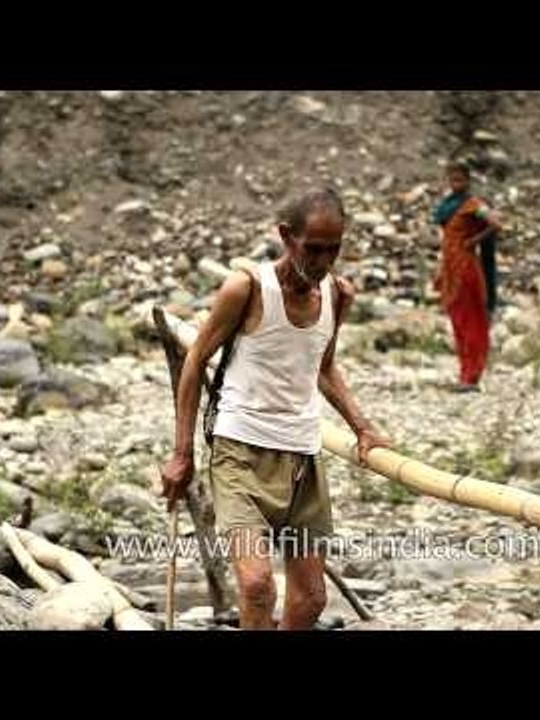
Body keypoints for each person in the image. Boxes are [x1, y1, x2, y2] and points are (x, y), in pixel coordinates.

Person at [157, 187, 390, 630]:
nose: (323, 262)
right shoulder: (247, 288)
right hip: (240, 455)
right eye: (313, 249)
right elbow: (195, 361)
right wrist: (182, 454)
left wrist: (363, 427)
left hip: (303, 459)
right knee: (259, 585)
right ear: (287, 237)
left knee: (311, 600)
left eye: (333, 250)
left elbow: (322, 366)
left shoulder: (337, 296)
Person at [431, 161, 502, 391]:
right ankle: (464, 373)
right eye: (452, 179)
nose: (456, 183)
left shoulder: (473, 204)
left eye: (460, 179)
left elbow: (496, 222)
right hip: (451, 269)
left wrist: (473, 241)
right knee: (458, 323)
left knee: (471, 322)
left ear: (468, 180)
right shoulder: (448, 206)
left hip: (466, 270)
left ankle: (472, 376)